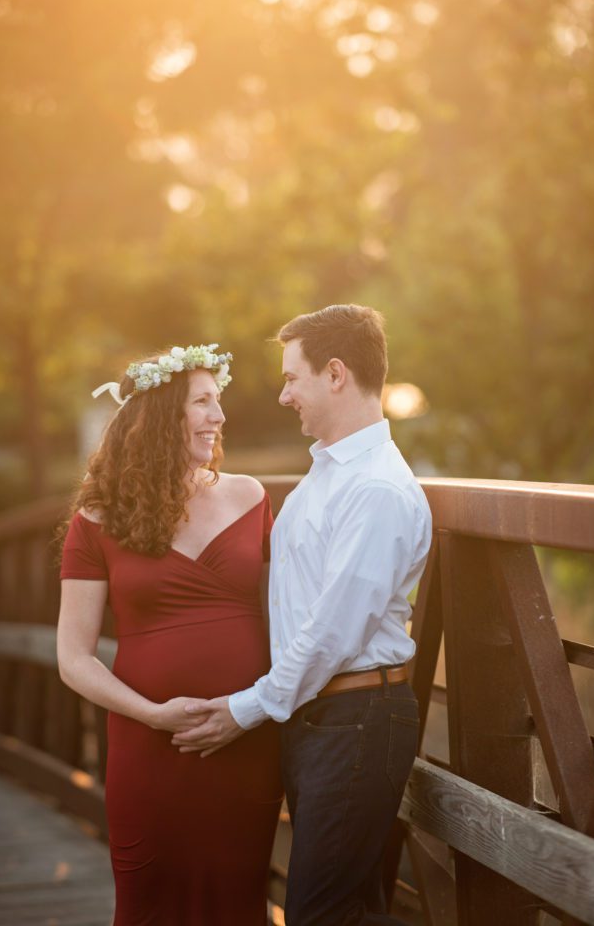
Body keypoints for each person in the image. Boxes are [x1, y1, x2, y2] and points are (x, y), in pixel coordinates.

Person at [173, 306, 433, 926]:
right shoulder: (327, 476)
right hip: (321, 717)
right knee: (346, 908)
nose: (284, 394)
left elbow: (334, 633)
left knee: (319, 912)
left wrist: (245, 707)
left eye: (293, 378)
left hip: (357, 718)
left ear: (336, 374)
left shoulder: (375, 490)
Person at [57, 344, 282, 926]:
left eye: (218, 401)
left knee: (238, 903)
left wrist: (251, 708)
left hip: (244, 738)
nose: (220, 416)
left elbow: (289, 616)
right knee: (148, 906)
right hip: (149, 749)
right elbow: (73, 657)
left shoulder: (250, 497)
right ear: (161, 416)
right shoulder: (97, 520)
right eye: (204, 402)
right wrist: (152, 714)